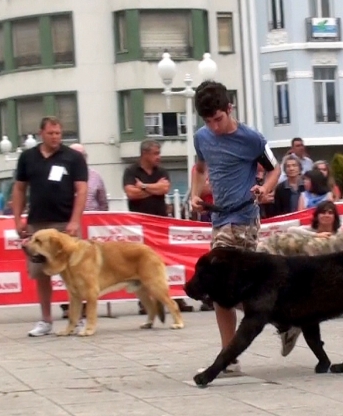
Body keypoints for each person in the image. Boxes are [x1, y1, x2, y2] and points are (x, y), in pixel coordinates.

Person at [190, 80, 299, 376]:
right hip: (218, 219)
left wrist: (265, 188)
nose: (214, 126)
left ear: (229, 108)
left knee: (219, 288)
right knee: (236, 291)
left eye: (218, 119)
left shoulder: (251, 138)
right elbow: (199, 168)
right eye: (208, 121)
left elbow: (276, 167)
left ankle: (229, 357)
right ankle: (285, 321)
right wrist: (195, 194)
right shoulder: (202, 137)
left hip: (243, 219)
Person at [13, 116, 88, 336]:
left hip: (66, 223)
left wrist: (75, 220)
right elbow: (19, 189)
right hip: (38, 223)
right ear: (41, 134)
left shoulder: (73, 157)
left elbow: (81, 190)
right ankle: (45, 320)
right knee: (40, 273)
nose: (55, 137)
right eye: (51, 133)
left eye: (58, 133)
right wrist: (18, 220)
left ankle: (78, 317)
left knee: (75, 271)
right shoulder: (27, 157)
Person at [122, 139, 193, 313]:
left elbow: (165, 189)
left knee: (167, 261)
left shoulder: (161, 171)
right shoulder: (131, 171)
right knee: (143, 264)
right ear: (144, 154)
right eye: (155, 153)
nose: (158, 157)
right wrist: (154, 188)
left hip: (161, 223)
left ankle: (176, 297)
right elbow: (131, 193)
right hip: (140, 225)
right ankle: (146, 302)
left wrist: (144, 187)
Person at [59, 144, 109, 320]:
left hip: (91, 229)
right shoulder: (62, 175)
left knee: (89, 271)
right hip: (70, 227)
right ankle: (69, 307)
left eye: (81, 155)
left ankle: (89, 306)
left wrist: (101, 221)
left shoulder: (95, 176)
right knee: (69, 268)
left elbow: (103, 202)